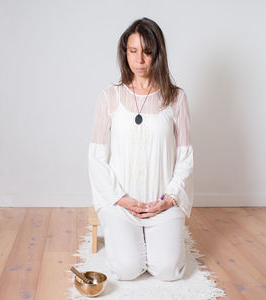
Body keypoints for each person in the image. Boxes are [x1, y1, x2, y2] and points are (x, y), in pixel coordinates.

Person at [88, 17, 194, 282]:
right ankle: (130, 237)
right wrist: (120, 198)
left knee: (169, 271)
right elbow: (97, 157)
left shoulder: (176, 98)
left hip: (162, 203)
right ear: (125, 53)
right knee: (127, 270)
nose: (140, 59)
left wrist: (169, 198)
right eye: (133, 51)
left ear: (157, 54)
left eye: (147, 51)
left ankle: (155, 237)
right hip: (122, 202)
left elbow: (185, 157)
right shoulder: (109, 97)